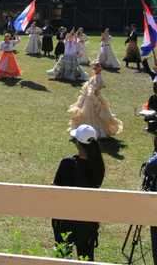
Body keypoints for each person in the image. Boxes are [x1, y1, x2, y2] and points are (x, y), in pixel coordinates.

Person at [52, 124, 104, 261]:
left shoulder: (67, 164)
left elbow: (54, 191)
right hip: (87, 222)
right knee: (86, 259)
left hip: (65, 221)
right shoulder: (99, 166)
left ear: (77, 143)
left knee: (62, 258)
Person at [68, 61, 123, 139]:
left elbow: (98, 86)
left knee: (90, 114)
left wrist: (92, 92)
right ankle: (82, 131)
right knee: (85, 113)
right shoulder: (96, 76)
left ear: (99, 69)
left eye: (96, 68)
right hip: (89, 97)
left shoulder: (98, 77)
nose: (94, 69)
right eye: (94, 68)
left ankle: (91, 132)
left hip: (92, 98)